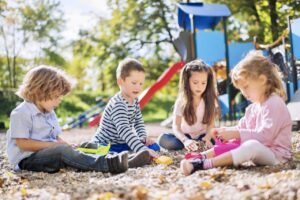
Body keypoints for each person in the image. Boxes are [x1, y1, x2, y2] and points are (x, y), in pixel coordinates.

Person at [181, 51, 292, 175]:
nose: (243, 93)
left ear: (262, 80)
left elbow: (266, 136)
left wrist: (236, 133)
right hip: (260, 150)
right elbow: (242, 128)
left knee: (251, 144)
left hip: (276, 155)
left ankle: (203, 164)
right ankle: (200, 157)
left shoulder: (274, 103)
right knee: (233, 141)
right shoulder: (253, 107)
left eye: (246, 87)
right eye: (241, 89)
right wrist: (225, 131)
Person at [6, 65, 129, 174]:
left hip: (50, 153)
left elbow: (55, 138)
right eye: (56, 97)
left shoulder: (49, 112)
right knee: (62, 152)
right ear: (40, 92)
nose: (59, 101)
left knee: (83, 146)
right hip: (28, 160)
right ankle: (106, 164)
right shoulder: (21, 113)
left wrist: (66, 144)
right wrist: (54, 146)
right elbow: (22, 144)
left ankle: (121, 159)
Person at [92, 58, 159, 167]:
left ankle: (130, 155)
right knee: (106, 155)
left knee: (155, 147)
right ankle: (127, 159)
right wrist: (142, 149)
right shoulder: (118, 104)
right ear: (120, 81)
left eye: (141, 83)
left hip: (122, 143)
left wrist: (143, 138)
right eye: (134, 83)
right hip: (105, 144)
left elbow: (138, 121)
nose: (138, 87)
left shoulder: (135, 100)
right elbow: (124, 130)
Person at [158, 59, 219, 152]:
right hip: (185, 137)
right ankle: (190, 145)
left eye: (203, 83)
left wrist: (207, 138)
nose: (199, 87)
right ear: (187, 82)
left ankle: (199, 145)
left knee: (217, 139)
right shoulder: (181, 101)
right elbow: (176, 127)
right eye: (195, 82)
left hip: (202, 137)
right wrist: (185, 141)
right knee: (164, 139)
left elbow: (211, 125)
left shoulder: (210, 101)